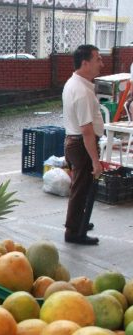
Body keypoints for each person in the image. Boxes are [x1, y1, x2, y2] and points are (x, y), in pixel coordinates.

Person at [62, 44, 104, 245]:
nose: (101, 64)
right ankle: (73, 232)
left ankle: (79, 222)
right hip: (81, 144)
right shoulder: (81, 91)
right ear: (85, 63)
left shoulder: (76, 83)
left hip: (75, 142)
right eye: (98, 59)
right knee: (80, 189)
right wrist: (96, 161)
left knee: (81, 187)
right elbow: (87, 130)